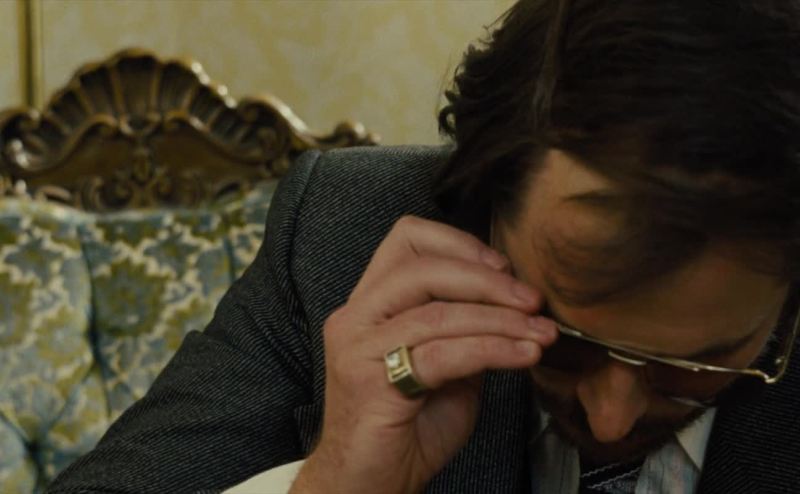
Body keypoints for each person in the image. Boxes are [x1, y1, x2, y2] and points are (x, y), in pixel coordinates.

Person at [49, 0, 800, 493]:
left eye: (688, 371)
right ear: (483, 202)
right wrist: (333, 483)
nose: (611, 419)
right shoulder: (346, 232)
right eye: (565, 343)